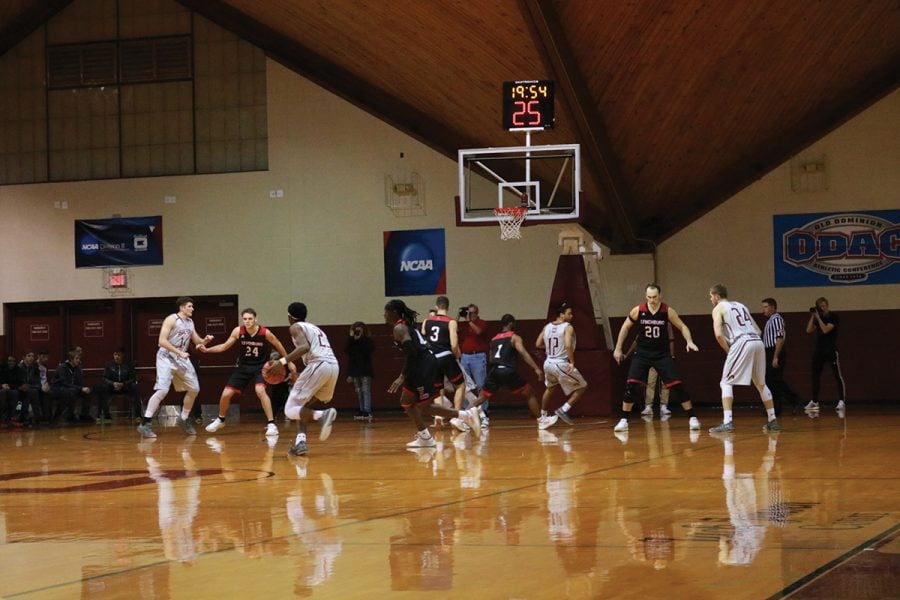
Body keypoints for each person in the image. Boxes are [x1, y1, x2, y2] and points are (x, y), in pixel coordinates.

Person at [384, 299, 480, 448]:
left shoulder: (400, 328)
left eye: (386, 312)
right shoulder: (405, 324)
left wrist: (402, 376)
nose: (384, 315)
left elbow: (412, 353)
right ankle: (426, 437)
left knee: (424, 406)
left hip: (422, 366)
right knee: (409, 402)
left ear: (394, 313)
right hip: (423, 363)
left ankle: (465, 416)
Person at [612, 284, 701, 434]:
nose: (651, 300)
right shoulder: (638, 310)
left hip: (661, 354)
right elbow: (625, 327)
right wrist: (618, 348)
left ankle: (692, 417)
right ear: (645, 296)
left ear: (660, 295)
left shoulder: (667, 311)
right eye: (649, 297)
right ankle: (624, 420)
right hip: (642, 354)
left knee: (677, 385)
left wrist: (689, 341)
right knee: (631, 386)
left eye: (654, 297)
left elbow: (683, 327)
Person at [200, 308, 289, 437]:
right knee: (226, 394)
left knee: (260, 391)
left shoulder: (265, 333)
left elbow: (279, 345)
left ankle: (271, 423)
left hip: (260, 367)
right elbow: (224, 346)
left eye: (250, 319)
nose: (247, 321)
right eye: (245, 319)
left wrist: (287, 361)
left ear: (256, 319)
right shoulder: (238, 331)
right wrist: (208, 350)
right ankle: (221, 419)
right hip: (243, 367)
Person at [137, 296, 214, 438]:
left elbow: (197, 342)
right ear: (182, 307)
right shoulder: (171, 319)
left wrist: (205, 341)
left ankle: (183, 418)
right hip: (166, 356)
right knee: (163, 390)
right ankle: (145, 423)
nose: (192, 308)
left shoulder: (190, 322)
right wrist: (179, 352)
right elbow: (161, 341)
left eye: (192, 306)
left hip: (181, 358)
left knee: (194, 389)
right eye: (190, 306)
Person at [707, 284, 780, 433]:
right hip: (757, 342)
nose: (710, 299)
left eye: (710, 296)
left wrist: (729, 350)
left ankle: (727, 421)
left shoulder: (718, 308)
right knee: (761, 383)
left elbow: (718, 334)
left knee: (725, 382)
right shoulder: (740, 305)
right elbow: (758, 330)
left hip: (742, 341)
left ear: (716, 296)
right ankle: (772, 420)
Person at [468, 313, 545, 435]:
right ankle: (542, 420)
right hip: (507, 370)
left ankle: (461, 419)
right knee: (529, 393)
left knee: (481, 398)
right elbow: (524, 353)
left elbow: (491, 359)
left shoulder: (494, 339)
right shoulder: (514, 337)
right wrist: (536, 368)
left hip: (494, 370)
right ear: (511, 323)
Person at [279, 302, 339, 457]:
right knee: (301, 407)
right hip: (333, 367)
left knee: (290, 410)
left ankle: (323, 415)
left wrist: (281, 362)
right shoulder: (315, 328)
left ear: (289, 317)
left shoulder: (295, 327)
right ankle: (301, 443)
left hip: (319, 364)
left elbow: (304, 348)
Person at [535, 301, 587, 429]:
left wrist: (548, 348)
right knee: (582, 386)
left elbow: (537, 344)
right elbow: (568, 344)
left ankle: (543, 416)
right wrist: (572, 362)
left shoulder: (546, 327)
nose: (571, 316)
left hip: (548, 363)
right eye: (569, 313)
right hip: (560, 363)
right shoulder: (567, 327)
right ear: (561, 314)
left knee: (550, 389)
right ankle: (563, 409)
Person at [421, 296, 469, 424]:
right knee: (460, 385)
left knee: (437, 388)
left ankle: (438, 416)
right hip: (445, 355)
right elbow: (454, 344)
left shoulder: (427, 320)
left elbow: (423, 339)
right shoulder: (451, 322)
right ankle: (457, 417)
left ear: (436, 306)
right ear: (448, 307)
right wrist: (457, 355)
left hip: (432, 358)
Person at [760, 298, 802, 415]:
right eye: (763, 307)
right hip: (768, 351)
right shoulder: (769, 321)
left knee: (774, 380)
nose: (763, 309)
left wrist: (775, 356)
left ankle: (784, 404)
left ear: (773, 307)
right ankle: (789, 401)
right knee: (772, 380)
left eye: (766, 307)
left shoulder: (777, 319)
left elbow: (780, 338)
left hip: (774, 351)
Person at [805, 296, 846, 413]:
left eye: (824, 306)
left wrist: (818, 318)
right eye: (820, 307)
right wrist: (813, 317)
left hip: (831, 350)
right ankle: (814, 401)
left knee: (837, 375)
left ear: (827, 305)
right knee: (815, 375)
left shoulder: (833, 317)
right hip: (819, 350)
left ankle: (841, 400)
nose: (822, 308)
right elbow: (808, 330)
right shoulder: (818, 317)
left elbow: (825, 329)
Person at [458, 303, 491, 427]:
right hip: (465, 357)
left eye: (472, 313)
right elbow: (454, 330)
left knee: (481, 385)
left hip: (478, 356)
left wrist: (469, 321)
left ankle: (484, 415)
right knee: (465, 387)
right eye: (468, 313)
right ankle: (468, 415)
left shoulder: (481, 322)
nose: (469, 315)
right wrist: (458, 316)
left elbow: (478, 332)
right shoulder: (464, 325)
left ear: (476, 313)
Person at [94, 347, 142, 423]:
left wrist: (123, 384)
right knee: (102, 388)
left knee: (135, 387)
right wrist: (113, 383)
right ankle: (105, 415)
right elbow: (104, 378)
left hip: (125, 387)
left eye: (119, 355)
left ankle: (138, 415)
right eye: (115, 355)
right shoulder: (109, 365)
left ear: (122, 355)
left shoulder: (128, 365)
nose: (117, 357)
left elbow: (133, 378)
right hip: (112, 387)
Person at [638, 323, 675, 419]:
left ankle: (664, 405)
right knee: (651, 381)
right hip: (652, 356)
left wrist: (672, 355)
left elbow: (671, 339)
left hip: (664, 356)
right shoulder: (648, 322)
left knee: (665, 383)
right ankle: (648, 406)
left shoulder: (667, 322)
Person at [51, 349, 93, 425]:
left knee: (87, 393)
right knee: (70, 393)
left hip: (72, 388)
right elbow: (64, 382)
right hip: (59, 388)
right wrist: (80, 388)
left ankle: (84, 415)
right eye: (76, 358)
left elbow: (79, 382)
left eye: (79, 358)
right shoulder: (63, 367)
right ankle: (68, 415)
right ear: (71, 359)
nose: (78, 360)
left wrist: (83, 388)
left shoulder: (77, 369)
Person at [345, 321, 375, 421]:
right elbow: (347, 351)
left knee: (365, 390)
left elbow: (368, 350)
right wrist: (351, 338)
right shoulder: (351, 342)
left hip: (365, 369)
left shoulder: (367, 340)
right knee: (358, 390)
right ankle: (362, 409)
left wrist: (361, 338)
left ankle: (367, 410)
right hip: (355, 370)